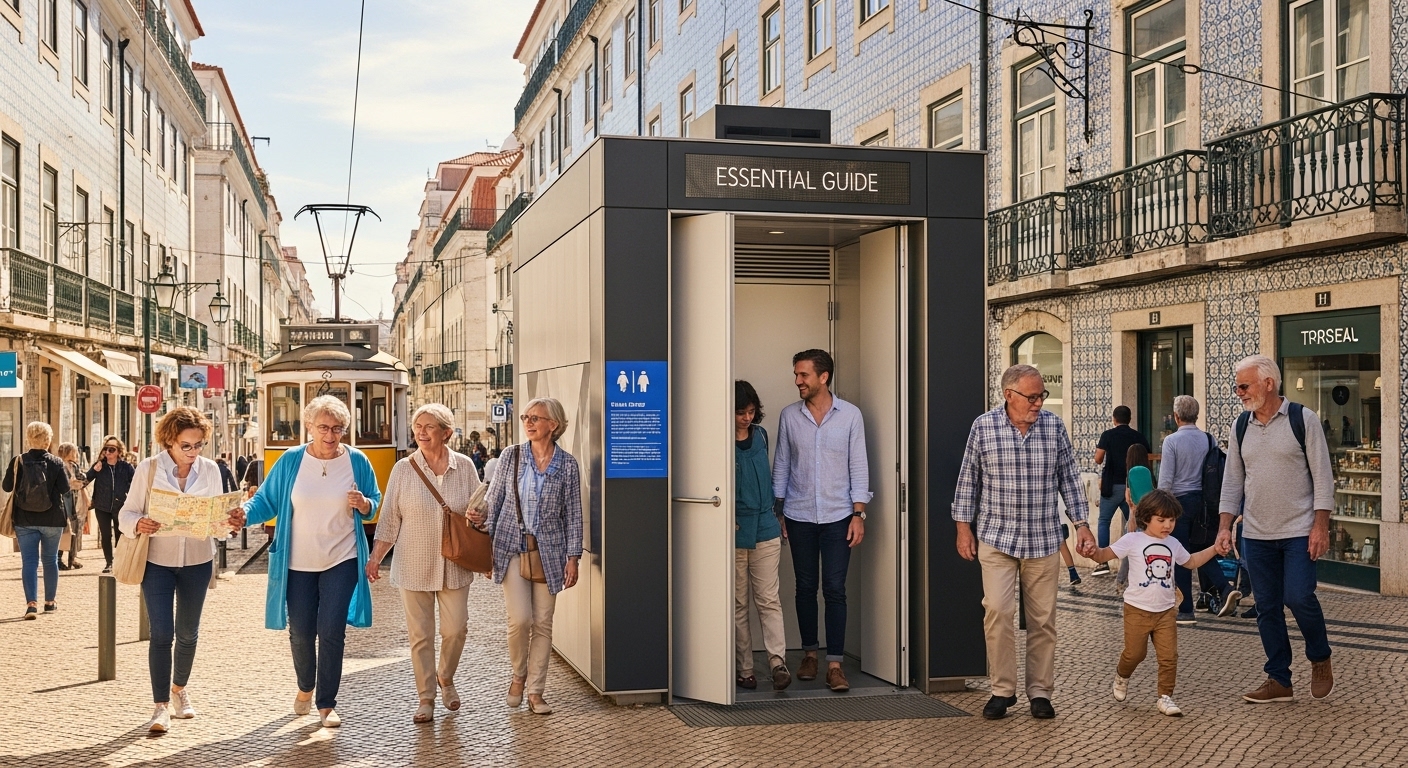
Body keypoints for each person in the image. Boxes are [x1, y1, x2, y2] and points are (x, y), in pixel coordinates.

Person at [952, 364, 1095, 720]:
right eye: (1031, 397)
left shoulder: (1053, 426)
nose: (1038, 403)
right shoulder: (983, 427)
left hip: (1043, 538)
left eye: (1041, 395)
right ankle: (1002, 690)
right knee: (997, 611)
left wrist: (1082, 524)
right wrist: (962, 528)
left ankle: (1040, 692)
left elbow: (1070, 477)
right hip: (997, 538)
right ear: (1008, 395)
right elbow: (968, 479)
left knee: (1043, 621)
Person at [242, 395, 383, 728]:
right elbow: (266, 500)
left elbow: (375, 502)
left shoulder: (357, 461)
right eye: (323, 428)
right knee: (302, 633)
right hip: (297, 562)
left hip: (342, 558)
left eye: (337, 429)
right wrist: (243, 515)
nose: (331, 435)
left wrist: (364, 504)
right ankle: (306, 686)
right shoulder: (291, 460)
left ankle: (326, 704)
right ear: (309, 427)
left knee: (331, 631)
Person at [1216, 355, 1335, 703]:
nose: (1238, 392)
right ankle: (1279, 679)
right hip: (1256, 534)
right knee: (1267, 607)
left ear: (1268, 383)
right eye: (1237, 385)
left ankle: (1320, 655)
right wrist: (1225, 527)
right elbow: (1232, 481)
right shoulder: (1240, 426)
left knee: (1298, 597)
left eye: (1244, 385)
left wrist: (1321, 526)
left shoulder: (1303, 419)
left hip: (1299, 530)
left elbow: (1323, 476)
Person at [120, 408, 245, 733]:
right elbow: (126, 514)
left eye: (198, 445)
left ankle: (179, 690)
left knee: (188, 634)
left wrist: (229, 523)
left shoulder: (210, 470)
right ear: (169, 442)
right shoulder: (148, 469)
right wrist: (139, 522)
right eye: (186, 446)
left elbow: (219, 525)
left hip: (197, 562)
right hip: (156, 563)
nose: (193, 453)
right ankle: (160, 706)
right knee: (162, 634)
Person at [367, 404, 482, 723]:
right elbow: (390, 518)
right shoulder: (403, 469)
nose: (420, 431)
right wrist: (376, 556)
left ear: (446, 432)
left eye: (429, 426)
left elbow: (478, 511)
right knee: (421, 636)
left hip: (455, 565)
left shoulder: (466, 466)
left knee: (456, 629)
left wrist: (479, 517)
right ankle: (426, 697)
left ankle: (446, 676)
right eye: (417, 425)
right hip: (413, 563)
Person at [472, 397, 582, 716]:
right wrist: (484, 533)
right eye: (526, 417)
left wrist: (573, 557)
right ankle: (518, 675)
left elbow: (573, 514)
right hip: (511, 548)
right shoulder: (511, 456)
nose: (529, 422)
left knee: (544, 623)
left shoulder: (568, 465)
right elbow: (495, 500)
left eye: (536, 418)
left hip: (550, 553)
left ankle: (536, 691)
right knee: (520, 620)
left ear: (554, 425)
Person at [772, 349, 870, 693]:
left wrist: (858, 514)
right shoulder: (789, 416)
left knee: (835, 589)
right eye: (796, 375)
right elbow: (781, 465)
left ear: (823, 377)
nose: (798, 381)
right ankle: (810, 655)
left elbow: (858, 466)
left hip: (838, 516)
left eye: (804, 375)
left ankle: (835, 664)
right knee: (804, 587)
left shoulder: (850, 417)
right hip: (798, 515)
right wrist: (778, 512)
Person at [1088, 489, 1221, 717]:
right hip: (1137, 611)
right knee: (1135, 654)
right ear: (1146, 517)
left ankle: (1165, 697)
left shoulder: (1174, 543)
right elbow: (1103, 556)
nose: (1167, 525)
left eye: (1171, 520)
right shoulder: (1133, 540)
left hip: (1166, 612)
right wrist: (1091, 552)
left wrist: (1215, 549)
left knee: (1169, 657)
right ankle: (1122, 674)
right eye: (1161, 520)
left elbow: (1191, 562)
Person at [1158, 395, 1240, 624]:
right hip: (1205, 505)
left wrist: (1160, 510)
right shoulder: (1208, 439)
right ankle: (1224, 589)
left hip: (1179, 505)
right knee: (1202, 550)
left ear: (1176, 416)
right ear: (1196, 415)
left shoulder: (1171, 441)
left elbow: (1165, 482)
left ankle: (1185, 610)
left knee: (1182, 556)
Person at [733, 381, 790, 691]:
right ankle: (744, 669)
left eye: (751, 412)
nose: (746, 418)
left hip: (766, 529)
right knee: (738, 604)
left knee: (768, 599)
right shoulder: (719, 440)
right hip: (734, 532)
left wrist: (779, 514)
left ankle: (777, 662)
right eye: (741, 412)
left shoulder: (762, 436)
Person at [2, 422, 70, 619]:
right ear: (48, 440)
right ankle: (50, 602)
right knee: (50, 560)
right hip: (52, 519)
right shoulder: (56, 462)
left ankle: (31, 604)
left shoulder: (18, 461)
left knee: (29, 562)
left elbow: (7, 487)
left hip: (25, 519)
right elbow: (65, 489)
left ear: (28, 438)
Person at [1092, 406, 1150, 575]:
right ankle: (1137, 558)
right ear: (1129, 419)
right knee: (1134, 523)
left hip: (1111, 486)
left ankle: (1103, 562)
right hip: (1131, 486)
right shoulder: (1137, 436)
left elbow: (1098, 459)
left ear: (1114, 419)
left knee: (1104, 521)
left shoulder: (1108, 435)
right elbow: (1147, 454)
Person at [86, 435, 136, 573]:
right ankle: (109, 562)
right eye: (106, 449)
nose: (108, 452)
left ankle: (120, 562)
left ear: (119, 452)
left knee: (120, 534)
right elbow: (86, 480)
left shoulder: (126, 467)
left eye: (111, 449)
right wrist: (93, 470)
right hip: (102, 506)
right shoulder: (100, 465)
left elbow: (136, 485)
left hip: (120, 506)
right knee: (106, 535)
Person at [55, 443, 90, 570]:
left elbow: (84, 479)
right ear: (68, 453)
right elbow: (63, 484)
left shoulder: (74, 466)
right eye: (75, 452)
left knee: (74, 529)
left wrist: (77, 481)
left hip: (75, 501)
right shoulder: (59, 465)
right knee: (65, 529)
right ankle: (58, 559)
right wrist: (73, 483)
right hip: (64, 501)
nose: (77, 455)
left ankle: (72, 558)